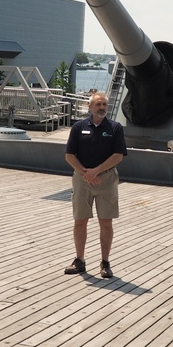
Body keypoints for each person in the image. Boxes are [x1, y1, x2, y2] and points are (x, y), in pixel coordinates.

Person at [64, 92, 127, 278]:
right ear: (90, 107)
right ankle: (80, 260)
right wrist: (86, 173)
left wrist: (96, 171)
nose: (102, 108)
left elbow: (118, 155)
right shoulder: (78, 127)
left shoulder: (115, 128)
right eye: (98, 104)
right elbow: (69, 155)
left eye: (104, 105)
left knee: (105, 222)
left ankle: (105, 262)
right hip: (82, 179)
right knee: (80, 220)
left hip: (106, 180)